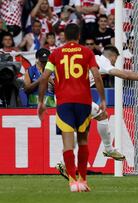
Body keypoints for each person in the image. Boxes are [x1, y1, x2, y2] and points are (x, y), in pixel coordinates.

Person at [55, 45, 138, 180]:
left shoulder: (86, 58)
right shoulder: (103, 61)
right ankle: (107, 149)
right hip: (75, 97)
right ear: (112, 56)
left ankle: (64, 161)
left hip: (62, 96)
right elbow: (126, 75)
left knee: (96, 118)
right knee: (98, 118)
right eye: (115, 60)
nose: (114, 63)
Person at [37, 23, 106, 192]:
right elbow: (96, 75)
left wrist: (41, 102)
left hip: (64, 103)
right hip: (83, 102)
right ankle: (83, 180)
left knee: (68, 144)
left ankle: (72, 182)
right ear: (79, 35)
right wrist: (103, 99)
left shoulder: (55, 54)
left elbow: (45, 77)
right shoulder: (87, 52)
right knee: (83, 141)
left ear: (64, 36)